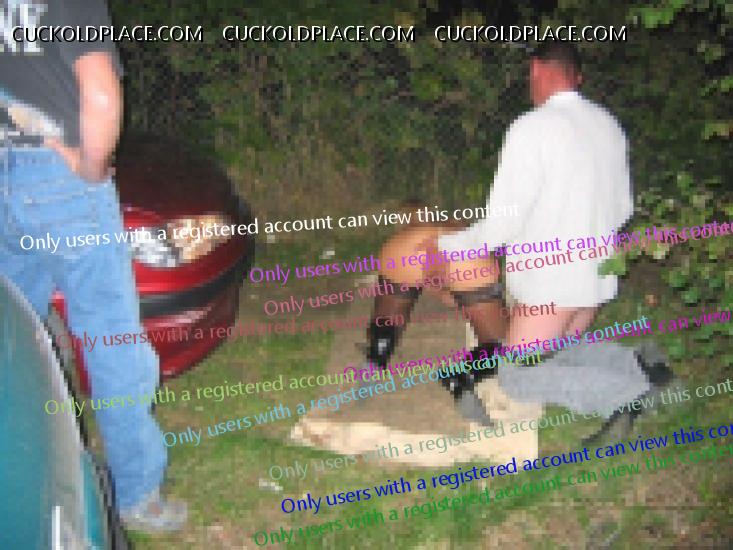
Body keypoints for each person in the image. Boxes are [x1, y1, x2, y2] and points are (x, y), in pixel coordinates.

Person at [0, 0, 186, 532]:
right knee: (112, 340)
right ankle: (136, 493)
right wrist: (91, 166)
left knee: (15, 334)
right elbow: (101, 94)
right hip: (60, 179)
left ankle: (24, 467)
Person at [428, 41, 672, 442]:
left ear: (536, 69)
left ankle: (626, 395)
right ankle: (642, 362)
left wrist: (449, 246)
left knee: (517, 377)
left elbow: (502, 224)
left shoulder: (532, 128)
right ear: (577, 76)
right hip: (596, 279)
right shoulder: (607, 123)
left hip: (552, 285)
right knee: (557, 351)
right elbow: (623, 207)